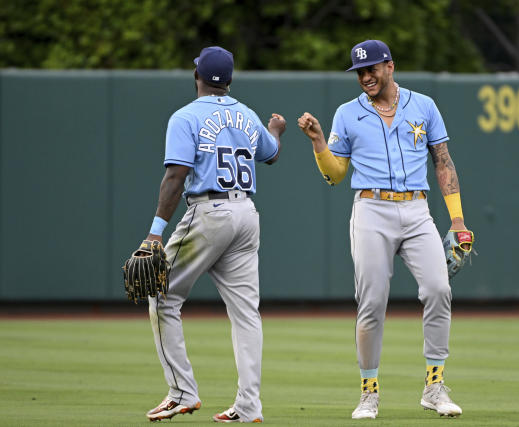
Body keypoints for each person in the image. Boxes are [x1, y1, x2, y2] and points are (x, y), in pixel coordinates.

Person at [298, 39, 470, 419]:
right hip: (371, 209)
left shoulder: (423, 105)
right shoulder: (347, 113)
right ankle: (369, 391)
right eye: (359, 71)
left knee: (440, 289)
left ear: (390, 66)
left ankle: (435, 385)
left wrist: (456, 220)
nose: (365, 77)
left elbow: (443, 163)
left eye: (371, 69)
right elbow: (336, 175)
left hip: (416, 209)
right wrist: (318, 143)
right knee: (372, 302)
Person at [143, 46, 286, 423]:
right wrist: (274, 129)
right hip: (246, 215)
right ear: (231, 81)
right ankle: (249, 406)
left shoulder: (185, 117)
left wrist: (156, 233)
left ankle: (181, 392)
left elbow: (175, 176)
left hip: (209, 212)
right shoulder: (247, 114)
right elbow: (271, 154)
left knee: (161, 295)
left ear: (197, 77)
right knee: (246, 314)